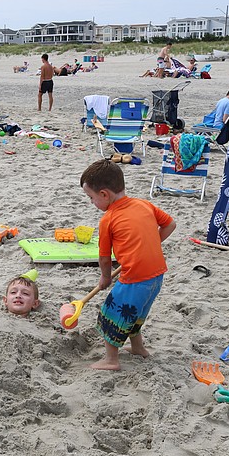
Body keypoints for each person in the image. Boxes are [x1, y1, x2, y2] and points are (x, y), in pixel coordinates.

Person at [79, 159, 176, 370]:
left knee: (112, 315)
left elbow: (104, 258)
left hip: (135, 279)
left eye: (91, 198)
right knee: (135, 314)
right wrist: (150, 243)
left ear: (104, 194)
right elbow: (170, 224)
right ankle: (139, 348)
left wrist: (105, 278)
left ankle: (111, 360)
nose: (91, 202)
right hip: (157, 277)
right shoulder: (144, 204)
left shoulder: (109, 219)